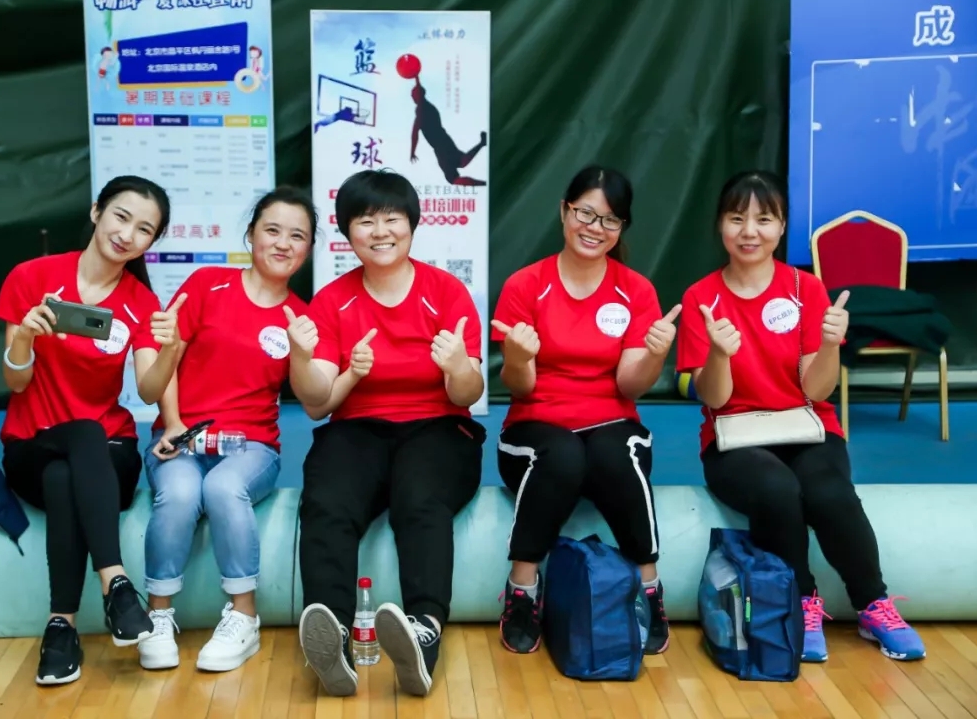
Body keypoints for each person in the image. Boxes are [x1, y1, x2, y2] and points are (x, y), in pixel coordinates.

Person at [675, 170, 926, 663]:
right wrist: (720, 354)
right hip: (734, 437)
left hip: (807, 426)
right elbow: (715, 399)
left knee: (829, 492)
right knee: (777, 489)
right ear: (720, 225)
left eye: (764, 219)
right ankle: (801, 602)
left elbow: (817, 389)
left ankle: (873, 605)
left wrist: (831, 344)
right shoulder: (701, 297)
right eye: (737, 218)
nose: (750, 231)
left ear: (782, 226)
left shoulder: (806, 289)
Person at [286, 169, 486, 698]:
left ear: (412, 225)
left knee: (420, 497)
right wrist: (302, 358)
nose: (380, 231)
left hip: (439, 426)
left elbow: (468, 392)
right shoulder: (333, 301)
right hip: (357, 428)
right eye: (365, 221)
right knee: (327, 500)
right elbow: (317, 401)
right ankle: (331, 635)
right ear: (347, 232)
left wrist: (458, 365)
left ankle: (424, 631)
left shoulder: (445, 292)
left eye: (392, 218)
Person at [0, 175, 184, 685]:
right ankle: (117, 583)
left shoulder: (141, 301)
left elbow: (149, 389)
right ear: (97, 211)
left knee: (70, 468)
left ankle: (61, 627)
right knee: (78, 437)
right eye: (121, 217)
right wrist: (24, 338)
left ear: (151, 241)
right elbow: (16, 382)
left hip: (107, 456)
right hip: (31, 445)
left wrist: (170, 350)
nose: (128, 234)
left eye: (144, 229)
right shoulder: (32, 277)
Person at [490, 166, 675, 657]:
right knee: (564, 454)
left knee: (617, 453)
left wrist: (655, 355)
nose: (595, 228)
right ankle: (522, 589)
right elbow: (520, 387)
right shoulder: (525, 285)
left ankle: (649, 589)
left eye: (610, 220)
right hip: (535, 430)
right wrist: (517, 358)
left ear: (622, 227)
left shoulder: (636, 290)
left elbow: (629, 384)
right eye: (585, 214)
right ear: (564, 211)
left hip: (613, 427)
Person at [136, 187, 316, 673]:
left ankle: (244, 617)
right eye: (272, 230)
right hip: (180, 437)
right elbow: (169, 356)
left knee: (221, 487)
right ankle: (158, 617)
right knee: (179, 492)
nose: (283, 243)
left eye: (297, 236)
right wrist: (174, 424)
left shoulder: (301, 317)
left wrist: (303, 353)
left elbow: (311, 393)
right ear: (251, 234)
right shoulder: (207, 284)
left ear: (308, 248)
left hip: (252, 447)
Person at [409, 77, 487, 186]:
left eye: (413, 94)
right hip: (445, 140)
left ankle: (484, 183)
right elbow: (419, 89)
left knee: (453, 179)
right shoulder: (428, 106)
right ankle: (482, 144)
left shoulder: (421, 110)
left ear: (418, 95)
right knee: (461, 161)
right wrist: (416, 76)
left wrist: (412, 152)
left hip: (440, 147)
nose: (411, 96)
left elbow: (414, 133)